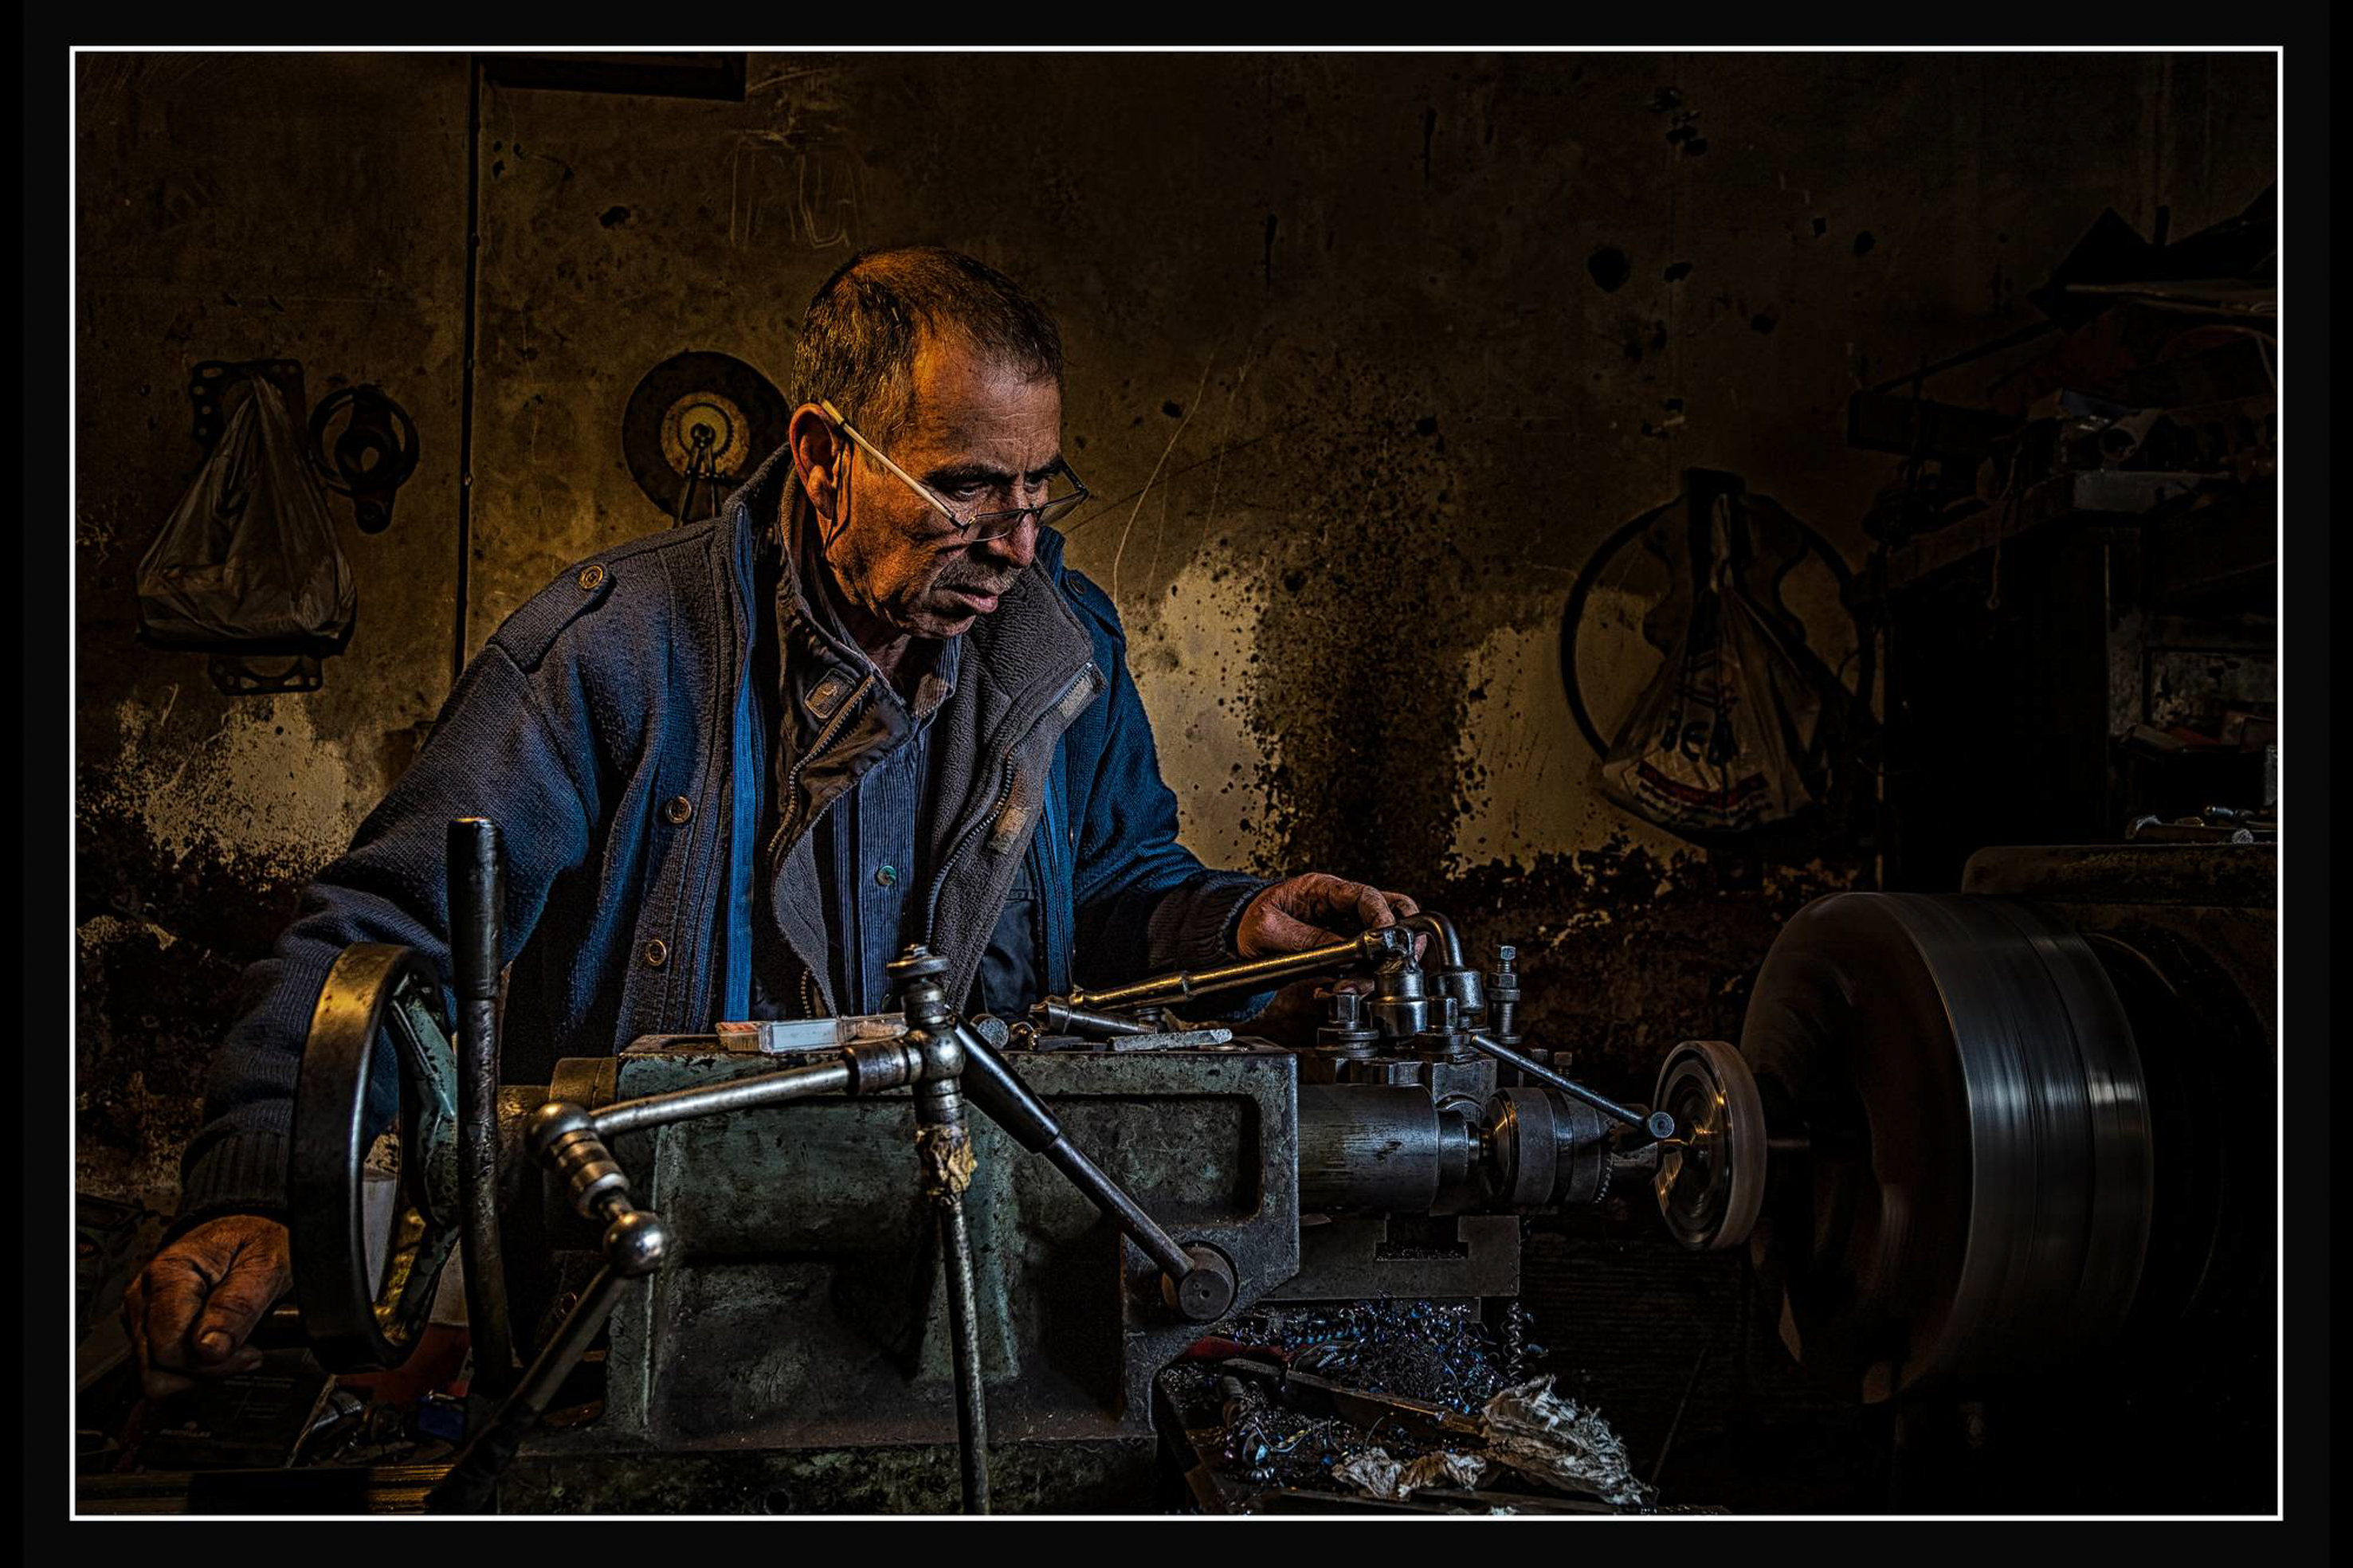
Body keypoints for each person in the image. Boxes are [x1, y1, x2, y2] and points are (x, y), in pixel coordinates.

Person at [124, 246, 1421, 1399]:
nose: (1017, 545)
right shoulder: (612, 652)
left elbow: (1115, 886)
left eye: (1040, 489)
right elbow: (382, 929)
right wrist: (264, 1187)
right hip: (636, 1290)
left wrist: (1235, 927)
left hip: (956, 1284)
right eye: (968, 490)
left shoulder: (1055, 647)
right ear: (821, 457)